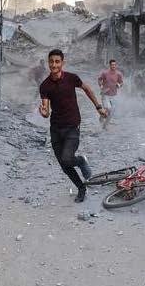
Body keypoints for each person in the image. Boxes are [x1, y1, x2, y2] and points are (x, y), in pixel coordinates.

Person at [38, 49, 106, 203]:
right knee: (64, 165)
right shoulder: (45, 86)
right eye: (51, 61)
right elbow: (46, 110)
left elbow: (87, 89)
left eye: (57, 61)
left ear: (62, 63)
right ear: (48, 63)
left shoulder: (71, 78)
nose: (54, 65)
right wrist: (43, 113)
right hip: (56, 129)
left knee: (68, 158)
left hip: (72, 126)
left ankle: (80, 161)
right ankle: (81, 188)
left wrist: (98, 106)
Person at [97, 59, 124, 128]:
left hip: (114, 95)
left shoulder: (118, 74)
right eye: (112, 65)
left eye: (114, 65)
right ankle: (102, 121)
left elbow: (121, 82)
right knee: (109, 108)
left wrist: (119, 85)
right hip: (105, 94)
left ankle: (105, 125)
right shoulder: (105, 73)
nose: (113, 66)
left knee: (111, 112)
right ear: (110, 65)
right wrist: (101, 85)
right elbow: (99, 79)